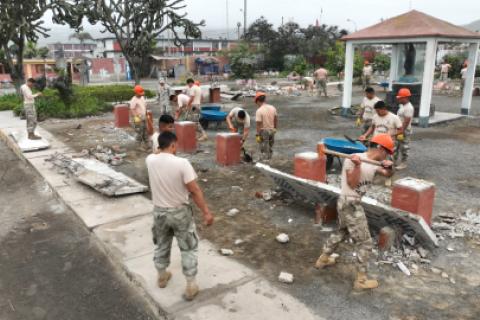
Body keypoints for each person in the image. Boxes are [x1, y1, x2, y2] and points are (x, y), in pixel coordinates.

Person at [315, 134, 394, 290]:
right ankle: (361, 281)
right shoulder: (353, 159)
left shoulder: (373, 162)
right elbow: (352, 183)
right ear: (380, 148)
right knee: (365, 243)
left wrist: (389, 167)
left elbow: (387, 175)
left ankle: (323, 259)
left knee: (342, 232)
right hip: (350, 202)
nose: (387, 155)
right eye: (388, 152)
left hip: (347, 203)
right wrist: (357, 166)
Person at [146, 131, 214, 301]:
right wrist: (206, 212)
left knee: (161, 244)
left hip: (159, 212)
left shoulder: (150, 160)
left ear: (158, 146)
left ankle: (162, 276)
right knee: (188, 248)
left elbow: (155, 154)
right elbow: (194, 190)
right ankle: (191, 285)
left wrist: (159, 151)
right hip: (179, 212)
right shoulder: (182, 163)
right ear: (173, 145)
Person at [395, 88, 414, 170]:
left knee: (404, 147)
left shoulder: (408, 108)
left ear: (405, 97)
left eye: (400, 97)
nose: (398, 98)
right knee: (396, 146)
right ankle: (393, 161)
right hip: (399, 129)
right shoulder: (403, 106)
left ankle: (404, 163)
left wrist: (401, 131)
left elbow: (407, 121)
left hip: (404, 130)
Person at [255, 92, 278, 160]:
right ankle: (270, 159)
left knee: (264, 147)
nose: (257, 105)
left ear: (258, 101)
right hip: (272, 130)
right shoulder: (272, 107)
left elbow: (258, 124)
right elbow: (276, 119)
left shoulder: (259, 110)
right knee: (270, 146)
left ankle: (265, 161)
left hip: (264, 131)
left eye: (256, 103)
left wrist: (257, 135)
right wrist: (275, 128)